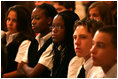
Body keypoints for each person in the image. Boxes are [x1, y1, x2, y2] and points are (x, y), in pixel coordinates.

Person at [13, 3, 57, 78]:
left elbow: (33, 74)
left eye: (37, 18)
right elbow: (20, 69)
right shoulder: (34, 41)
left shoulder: (53, 43)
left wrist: (25, 67)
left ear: (49, 20)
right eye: (32, 19)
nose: (33, 22)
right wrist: (27, 68)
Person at [2, 5, 35, 77]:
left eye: (14, 20)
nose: (10, 23)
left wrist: (3, 76)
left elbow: (20, 72)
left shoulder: (25, 42)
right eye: (8, 19)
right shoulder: (3, 36)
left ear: (23, 22)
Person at [50, 11, 79, 77]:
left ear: (70, 29)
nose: (54, 30)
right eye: (53, 26)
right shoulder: (58, 49)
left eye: (60, 27)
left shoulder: (75, 54)